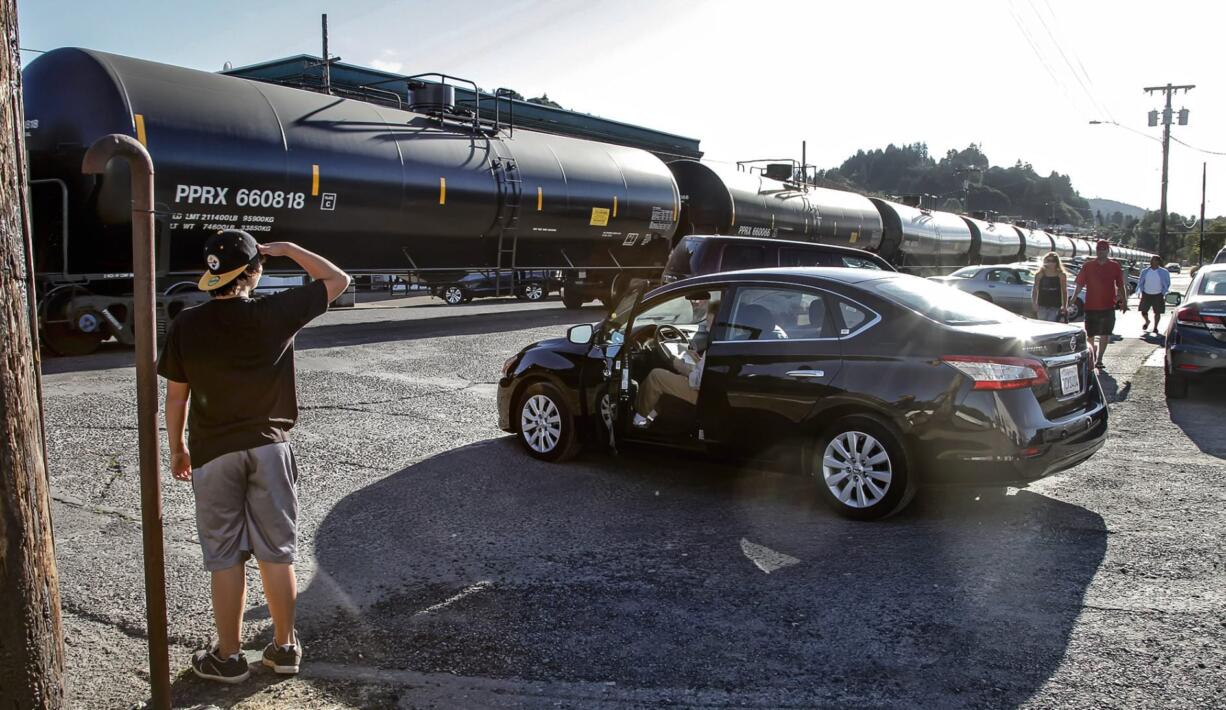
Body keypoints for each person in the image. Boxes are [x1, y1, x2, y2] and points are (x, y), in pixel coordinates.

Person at [158, 230, 350, 683]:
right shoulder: (275, 312)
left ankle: (227, 657)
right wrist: (287, 250)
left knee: (225, 555)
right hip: (269, 447)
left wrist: (177, 448)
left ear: (212, 275)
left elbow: (175, 398)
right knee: (277, 552)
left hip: (212, 453)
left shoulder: (186, 323)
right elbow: (338, 280)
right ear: (253, 273)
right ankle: (284, 648)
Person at [633, 294, 715, 427]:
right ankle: (652, 415)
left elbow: (699, 381)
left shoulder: (717, 342)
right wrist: (697, 361)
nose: (707, 329)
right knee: (670, 378)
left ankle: (638, 418)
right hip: (705, 389)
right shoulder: (723, 339)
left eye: (709, 326)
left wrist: (682, 367)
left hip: (702, 393)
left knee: (656, 376)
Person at [1071, 239, 1128, 371]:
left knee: (1105, 333)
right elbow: (1079, 284)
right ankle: (1092, 354)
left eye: (1103, 249)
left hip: (1108, 305)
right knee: (1090, 334)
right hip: (1091, 305)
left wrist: (1124, 301)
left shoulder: (1114, 266)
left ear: (1108, 251)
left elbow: (1120, 285)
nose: (1100, 252)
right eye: (1098, 249)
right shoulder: (1088, 266)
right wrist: (1074, 297)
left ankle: (1100, 358)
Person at [1136, 255, 1171, 336]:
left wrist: (1163, 292)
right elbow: (1141, 281)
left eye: (1154, 260)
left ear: (1158, 262)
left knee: (1157, 312)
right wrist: (1139, 290)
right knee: (1143, 310)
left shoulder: (1164, 272)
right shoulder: (1145, 271)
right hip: (1146, 293)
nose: (1152, 262)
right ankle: (1147, 321)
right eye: (1151, 260)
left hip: (1158, 294)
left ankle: (1155, 327)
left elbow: (1167, 283)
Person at [1032, 251, 1068, 322]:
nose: (1051, 263)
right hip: (1042, 304)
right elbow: (1035, 290)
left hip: (1055, 305)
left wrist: (1064, 306)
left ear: (1057, 262)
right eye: (1048, 260)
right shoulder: (1040, 274)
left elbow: (1064, 291)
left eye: (1053, 261)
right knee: (1042, 324)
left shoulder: (1061, 275)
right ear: (1045, 261)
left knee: (1052, 323)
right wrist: (1034, 303)